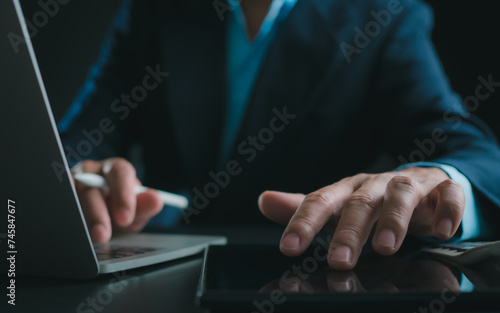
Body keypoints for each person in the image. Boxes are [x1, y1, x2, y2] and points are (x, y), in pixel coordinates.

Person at [59, 0, 500, 270]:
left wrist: (439, 180)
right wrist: (82, 176)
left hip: (316, 275)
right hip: (156, 271)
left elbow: (471, 153)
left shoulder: (383, 15)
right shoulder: (154, 8)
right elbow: (77, 143)